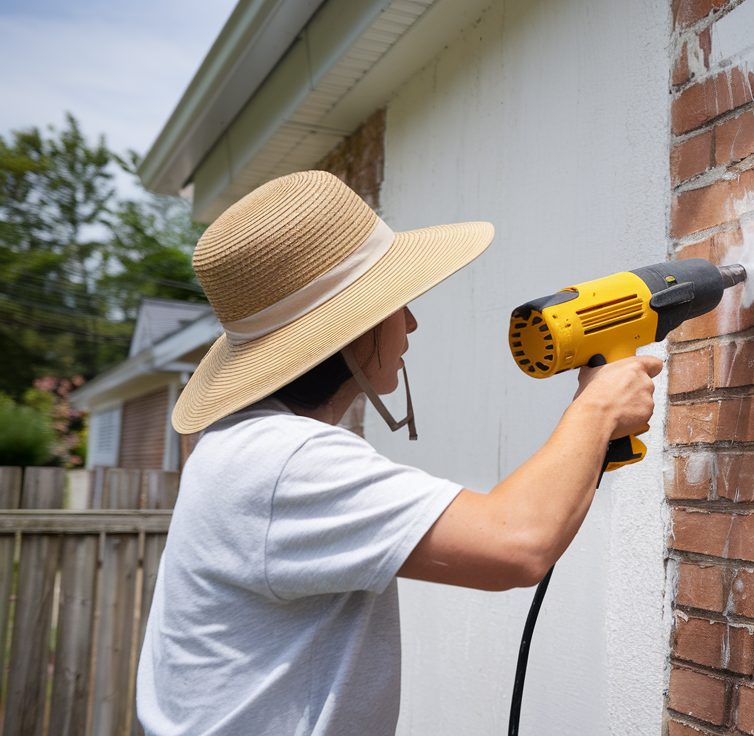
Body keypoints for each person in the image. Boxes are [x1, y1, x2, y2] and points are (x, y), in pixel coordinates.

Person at [135, 170, 661, 735]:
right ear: (350, 330)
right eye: (395, 301)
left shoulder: (239, 446)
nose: (411, 320)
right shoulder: (285, 461)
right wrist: (599, 409)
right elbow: (518, 544)